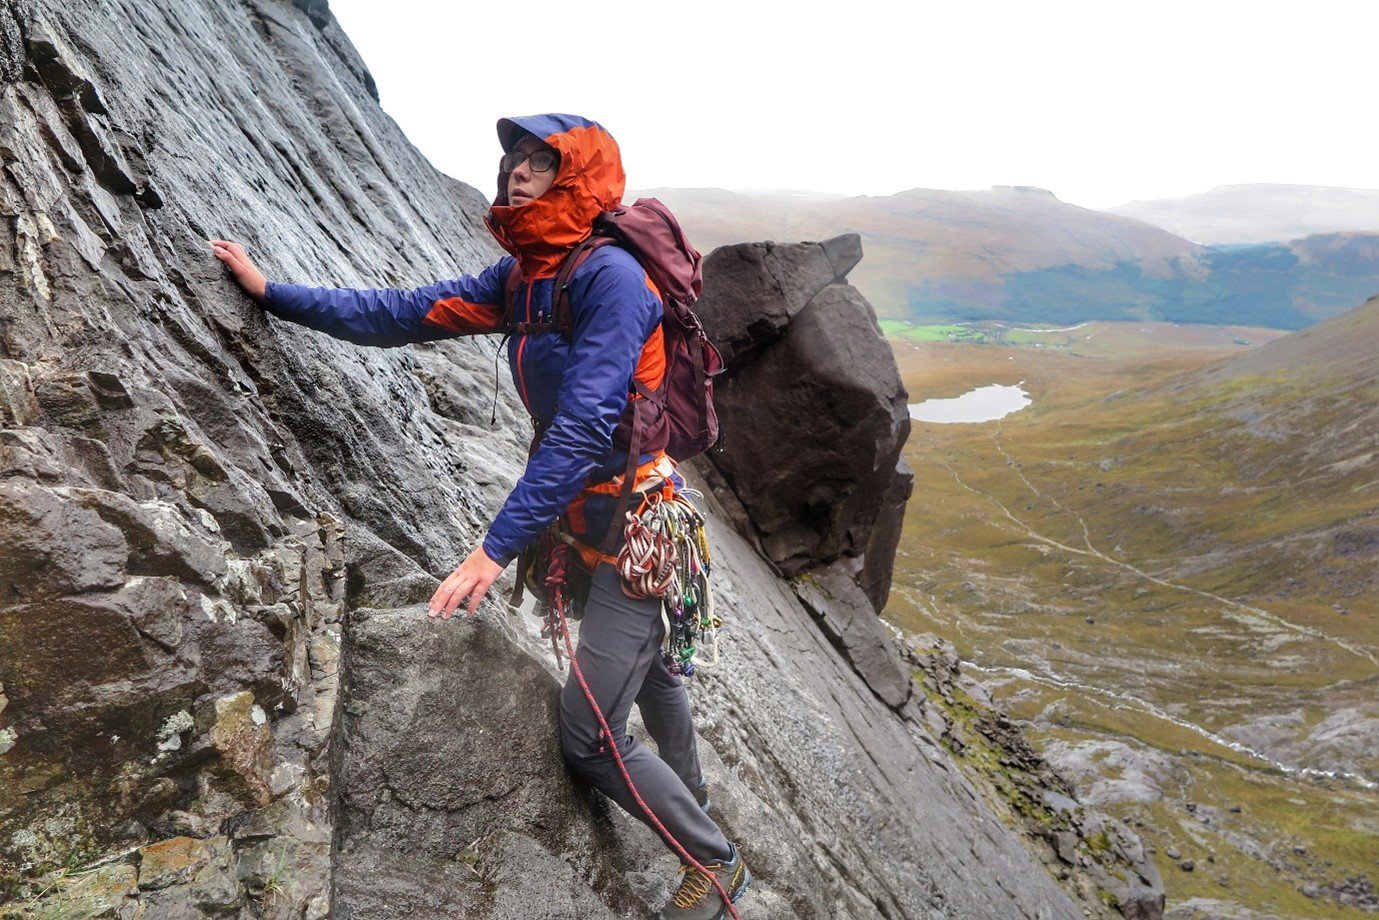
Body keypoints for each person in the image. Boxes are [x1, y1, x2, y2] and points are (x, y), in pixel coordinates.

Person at [212, 113, 749, 920]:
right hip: (592, 522)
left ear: (578, 178)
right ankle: (692, 814)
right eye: (514, 161)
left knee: (590, 733)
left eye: (540, 161)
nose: (517, 174)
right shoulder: (528, 278)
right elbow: (401, 313)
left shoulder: (609, 280)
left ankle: (712, 863)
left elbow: (584, 426)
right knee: (655, 675)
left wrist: (492, 551)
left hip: (639, 523)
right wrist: (271, 292)